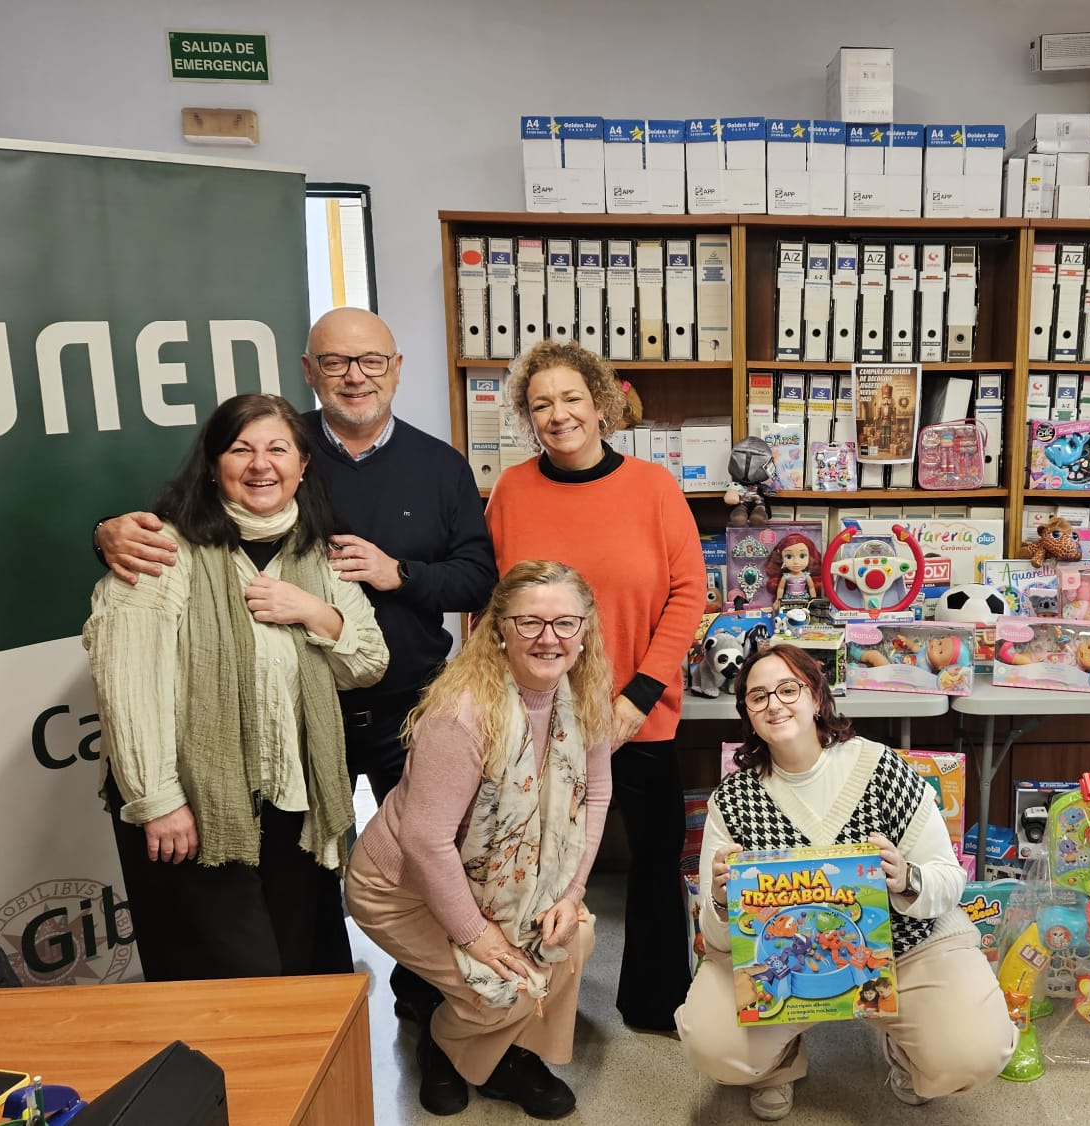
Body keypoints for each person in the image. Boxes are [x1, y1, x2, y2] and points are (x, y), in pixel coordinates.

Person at [97, 308, 496, 1017]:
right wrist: (103, 532)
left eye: (371, 361)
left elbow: (475, 582)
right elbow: (136, 657)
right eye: (335, 362)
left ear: (396, 368)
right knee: (257, 946)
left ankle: (430, 1016)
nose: (355, 376)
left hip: (390, 721)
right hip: (268, 756)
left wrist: (391, 577)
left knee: (414, 879)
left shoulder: (431, 471)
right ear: (310, 371)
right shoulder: (236, 487)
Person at [83, 392, 388, 982]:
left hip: (291, 803)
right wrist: (158, 801)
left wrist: (312, 611)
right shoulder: (161, 551)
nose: (261, 464)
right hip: (193, 807)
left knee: (301, 970)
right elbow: (128, 689)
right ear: (213, 463)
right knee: (230, 980)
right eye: (241, 449)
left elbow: (368, 662)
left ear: (303, 464)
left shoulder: (319, 554)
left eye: (278, 449)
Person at [675, 645, 1014, 1121]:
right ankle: (779, 1065)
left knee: (973, 1050)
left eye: (788, 689)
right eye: (757, 696)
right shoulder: (733, 800)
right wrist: (718, 898)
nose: (774, 704)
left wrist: (906, 878)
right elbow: (717, 938)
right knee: (712, 1044)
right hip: (782, 964)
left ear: (816, 696)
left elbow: (948, 878)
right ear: (747, 713)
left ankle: (907, 1052)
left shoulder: (881, 768)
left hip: (904, 948)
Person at [484, 340, 703, 1031]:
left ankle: (656, 1002)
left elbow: (688, 594)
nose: (559, 414)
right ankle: (526, 1010)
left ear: (602, 404)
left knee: (655, 855)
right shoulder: (511, 491)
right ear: (528, 417)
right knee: (530, 858)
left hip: (635, 713)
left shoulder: (654, 488)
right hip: (536, 712)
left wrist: (638, 697)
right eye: (541, 403)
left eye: (572, 398)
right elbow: (493, 602)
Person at [348, 561, 612, 1118]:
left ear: (585, 631)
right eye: (529, 622)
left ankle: (497, 1053)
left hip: (504, 879)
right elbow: (425, 841)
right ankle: (445, 1039)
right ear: (498, 629)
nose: (549, 638)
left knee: (575, 938)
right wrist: (477, 936)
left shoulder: (584, 697)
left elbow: (596, 798)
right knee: (504, 983)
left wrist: (571, 895)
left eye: (565, 623)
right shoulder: (463, 712)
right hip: (401, 888)